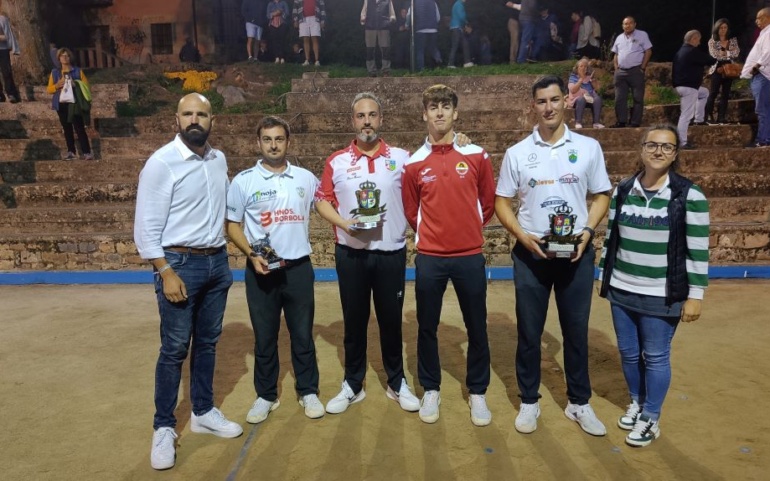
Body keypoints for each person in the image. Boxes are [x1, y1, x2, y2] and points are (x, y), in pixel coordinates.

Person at [494, 75, 612, 437]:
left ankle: (579, 402)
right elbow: (501, 202)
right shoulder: (517, 153)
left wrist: (588, 232)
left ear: (566, 101)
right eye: (541, 101)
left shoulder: (589, 148)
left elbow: (602, 195)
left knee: (575, 332)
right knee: (529, 332)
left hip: (576, 254)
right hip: (531, 256)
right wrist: (521, 236)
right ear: (534, 106)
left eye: (554, 99)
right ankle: (529, 400)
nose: (548, 107)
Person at [134, 93, 242, 471]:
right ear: (176, 119)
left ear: (213, 119)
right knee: (175, 347)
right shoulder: (162, 163)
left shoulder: (218, 159)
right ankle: (164, 426)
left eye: (202, 114)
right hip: (179, 263)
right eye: (187, 114)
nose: (194, 119)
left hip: (216, 263)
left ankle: (203, 411)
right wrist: (165, 271)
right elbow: (145, 228)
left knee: (208, 343)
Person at [598, 124, 709, 447]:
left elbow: (698, 250)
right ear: (641, 149)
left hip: (662, 292)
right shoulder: (623, 189)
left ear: (675, 154)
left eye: (667, 147)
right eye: (652, 145)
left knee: (656, 356)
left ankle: (651, 417)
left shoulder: (689, 195)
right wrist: (603, 277)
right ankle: (637, 401)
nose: (658, 151)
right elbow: (611, 239)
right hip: (622, 287)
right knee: (629, 354)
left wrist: (695, 296)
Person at [315, 92, 420, 415]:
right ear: (352, 121)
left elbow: (427, 177)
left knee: (391, 321)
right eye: (361, 116)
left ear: (381, 119)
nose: (367, 122)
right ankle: (353, 383)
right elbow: (322, 201)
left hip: (390, 253)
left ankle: (396, 381)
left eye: (372, 115)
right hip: (352, 254)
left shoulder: (403, 158)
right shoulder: (337, 161)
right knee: (354, 320)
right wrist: (345, 224)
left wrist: (459, 139)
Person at [401, 84, 496, 426]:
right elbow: (412, 211)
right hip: (430, 257)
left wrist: (467, 228)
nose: (439, 112)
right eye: (433, 106)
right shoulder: (413, 164)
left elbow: (487, 204)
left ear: (456, 113)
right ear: (424, 113)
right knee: (427, 326)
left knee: (477, 326)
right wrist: (434, 234)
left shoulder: (477, 155)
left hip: (469, 255)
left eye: (445, 106)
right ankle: (431, 388)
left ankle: (478, 391)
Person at [225, 116, 325, 424]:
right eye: (267, 139)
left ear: (288, 142)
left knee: (302, 335)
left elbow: (327, 203)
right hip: (261, 269)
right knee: (265, 336)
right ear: (259, 143)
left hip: (298, 269)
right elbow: (232, 225)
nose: (273, 145)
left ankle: (308, 390)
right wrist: (252, 254)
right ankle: (266, 395)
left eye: (279, 139)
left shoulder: (306, 178)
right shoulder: (243, 181)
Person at [46, 48, 94, 161]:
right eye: (62, 56)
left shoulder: (77, 71)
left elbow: (87, 86)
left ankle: (86, 152)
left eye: (67, 55)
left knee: (79, 127)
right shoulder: (55, 72)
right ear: (59, 58)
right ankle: (71, 151)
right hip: (61, 103)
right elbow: (49, 89)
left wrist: (75, 84)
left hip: (75, 103)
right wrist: (57, 85)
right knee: (66, 128)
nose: (65, 58)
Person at [672, 30, 714, 150]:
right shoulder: (691, 51)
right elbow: (709, 60)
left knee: (704, 93)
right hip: (688, 88)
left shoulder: (680, 51)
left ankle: (699, 119)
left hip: (680, 86)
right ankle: (682, 142)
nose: (699, 42)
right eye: (698, 39)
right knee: (685, 115)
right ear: (693, 39)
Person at [610, 17, 652, 128]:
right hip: (621, 72)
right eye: (625, 24)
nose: (627, 26)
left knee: (637, 98)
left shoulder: (642, 35)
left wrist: (642, 68)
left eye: (629, 23)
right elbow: (616, 54)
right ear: (622, 25)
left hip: (635, 70)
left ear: (634, 24)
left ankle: (635, 122)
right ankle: (621, 121)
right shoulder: (619, 38)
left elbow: (648, 51)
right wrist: (616, 68)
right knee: (619, 98)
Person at [741, 8, 770, 148]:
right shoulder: (764, 33)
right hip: (763, 75)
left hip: (762, 75)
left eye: (760, 18)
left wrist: (757, 66)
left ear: (768, 18)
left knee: (762, 110)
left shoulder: (769, 32)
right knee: (765, 109)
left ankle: (762, 140)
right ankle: (765, 139)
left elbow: (768, 51)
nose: (756, 21)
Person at [706, 19, 740, 125]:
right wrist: (728, 53)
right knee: (713, 93)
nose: (723, 30)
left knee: (725, 94)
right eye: (721, 27)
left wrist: (725, 53)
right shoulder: (712, 41)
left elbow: (736, 52)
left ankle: (721, 118)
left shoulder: (732, 40)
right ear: (717, 28)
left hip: (729, 68)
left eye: (725, 27)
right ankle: (708, 116)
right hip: (717, 68)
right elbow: (714, 55)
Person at [361, 0, 396, 77]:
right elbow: (363, 13)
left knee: (385, 49)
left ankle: (386, 71)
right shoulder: (367, 1)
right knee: (370, 50)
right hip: (370, 27)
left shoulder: (388, 1)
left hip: (384, 27)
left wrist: (391, 20)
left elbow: (392, 14)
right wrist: (363, 19)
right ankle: (371, 71)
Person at [567, 57, 604, 129]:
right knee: (581, 99)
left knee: (598, 99)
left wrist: (594, 82)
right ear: (577, 68)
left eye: (585, 66)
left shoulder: (589, 77)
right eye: (581, 66)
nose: (583, 68)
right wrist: (581, 79)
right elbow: (573, 90)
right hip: (577, 100)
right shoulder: (573, 77)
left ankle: (596, 123)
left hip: (589, 99)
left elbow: (598, 90)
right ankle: (578, 122)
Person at [406, 0, 440, 72]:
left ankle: (421, 69)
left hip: (420, 29)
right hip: (433, 29)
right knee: (433, 48)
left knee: (420, 51)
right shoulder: (433, 2)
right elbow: (438, 17)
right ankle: (438, 65)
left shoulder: (414, 2)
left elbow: (409, 15)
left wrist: (407, 25)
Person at [293, 0, 326, 66]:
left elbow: (322, 7)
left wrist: (323, 21)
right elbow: (295, 8)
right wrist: (295, 20)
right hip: (303, 19)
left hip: (315, 18)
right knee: (305, 38)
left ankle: (317, 61)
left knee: (315, 38)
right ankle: (307, 60)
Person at [0, 1, 20, 104]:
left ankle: (11, 93)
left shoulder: (2, 19)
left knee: (6, 71)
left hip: (2, 50)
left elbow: (8, 36)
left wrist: (15, 49)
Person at [447, 0, 472, 68]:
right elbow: (461, 16)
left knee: (464, 44)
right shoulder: (459, 4)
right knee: (456, 45)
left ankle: (467, 62)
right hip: (457, 27)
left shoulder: (457, 4)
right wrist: (466, 23)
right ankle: (451, 64)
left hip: (457, 27)